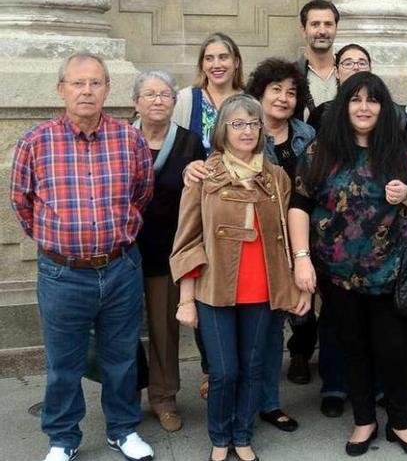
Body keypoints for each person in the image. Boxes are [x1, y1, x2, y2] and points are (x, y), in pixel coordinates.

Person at [11, 52, 155, 461]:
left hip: (121, 267)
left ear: (108, 89)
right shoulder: (35, 142)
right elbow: (22, 202)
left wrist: (115, 236)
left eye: (95, 82)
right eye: (78, 83)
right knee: (63, 363)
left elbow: (141, 194)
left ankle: (122, 429)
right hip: (62, 274)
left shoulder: (130, 139)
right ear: (62, 90)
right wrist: (57, 241)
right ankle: (62, 438)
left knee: (122, 356)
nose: (87, 91)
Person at [289, 72, 407, 457]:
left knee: (394, 348)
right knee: (352, 346)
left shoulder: (403, 150)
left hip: (393, 272)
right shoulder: (321, 151)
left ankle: (400, 423)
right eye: (356, 100)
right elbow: (299, 205)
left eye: (373, 100)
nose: (364, 107)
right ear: (344, 106)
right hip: (336, 275)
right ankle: (364, 420)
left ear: (384, 107)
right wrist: (301, 259)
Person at [171, 94, 310, 461]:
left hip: (263, 288)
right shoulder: (203, 175)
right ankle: (220, 437)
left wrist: (298, 281)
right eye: (238, 124)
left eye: (253, 123)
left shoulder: (276, 177)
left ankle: (243, 435)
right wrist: (186, 300)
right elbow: (188, 241)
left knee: (253, 369)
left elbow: (286, 231)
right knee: (224, 372)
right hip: (215, 289)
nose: (247, 131)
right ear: (222, 131)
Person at [244, 57, 316, 432]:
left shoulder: (307, 135)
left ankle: (269, 403)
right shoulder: (243, 130)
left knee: (283, 326)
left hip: (299, 241)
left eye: (291, 92)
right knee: (258, 328)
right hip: (256, 242)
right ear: (259, 92)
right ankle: (249, 403)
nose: (284, 98)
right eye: (276, 90)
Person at [132, 70, 206, 432]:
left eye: (165, 94)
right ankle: (126, 395)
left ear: (174, 102)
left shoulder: (190, 143)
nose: (158, 100)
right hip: (123, 252)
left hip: (168, 251)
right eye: (149, 94)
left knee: (164, 329)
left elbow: (203, 194)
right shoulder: (118, 139)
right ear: (136, 103)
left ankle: (164, 397)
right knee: (121, 329)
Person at [172, 32, 244, 156]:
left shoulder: (250, 100)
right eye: (209, 59)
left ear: (236, 62)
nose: (216, 65)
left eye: (223, 57)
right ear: (202, 65)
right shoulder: (185, 100)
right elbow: (174, 151)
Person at [293, 0, 340, 121]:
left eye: (328, 24)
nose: (322, 31)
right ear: (304, 31)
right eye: (315, 24)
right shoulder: (291, 75)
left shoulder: (349, 71)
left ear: (336, 29)